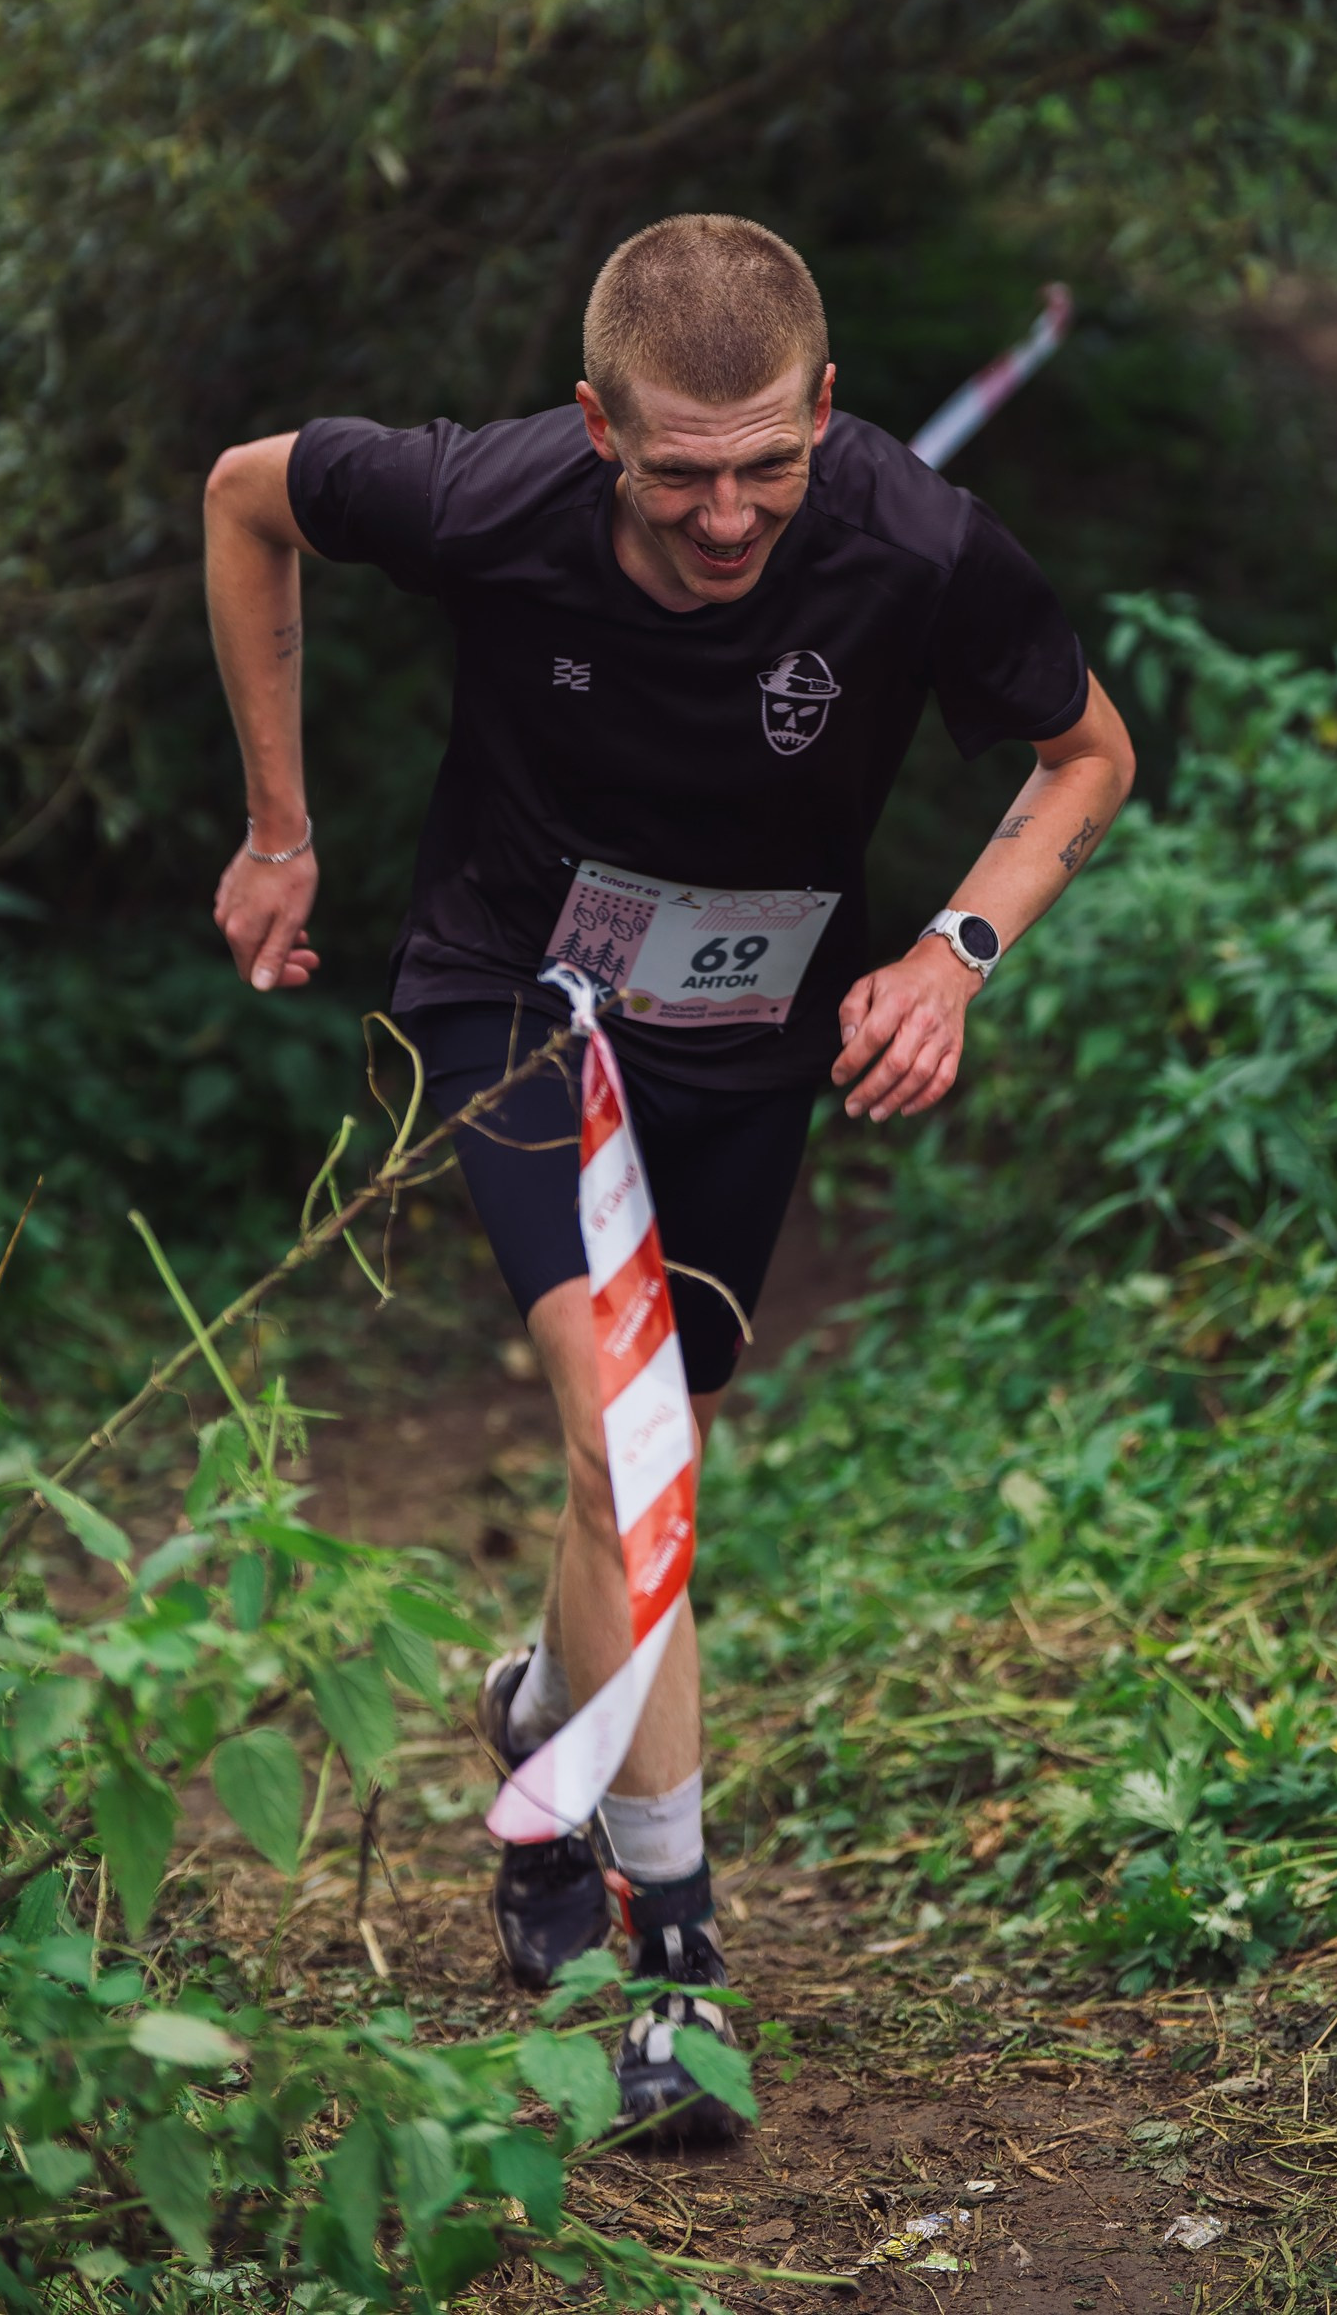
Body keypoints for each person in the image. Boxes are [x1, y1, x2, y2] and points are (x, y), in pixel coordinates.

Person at [204, 213, 1134, 2140]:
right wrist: (280, 826)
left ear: (825, 413)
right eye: (682, 473)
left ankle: (544, 1731)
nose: (729, 519)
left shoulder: (917, 541)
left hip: (749, 1032)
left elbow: (1084, 756)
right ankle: (675, 1968)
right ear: (596, 426)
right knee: (637, 1452)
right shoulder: (486, 495)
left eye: (769, 467)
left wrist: (956, 950)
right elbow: (244, 495)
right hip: (520, 1000)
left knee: (635, 1450)